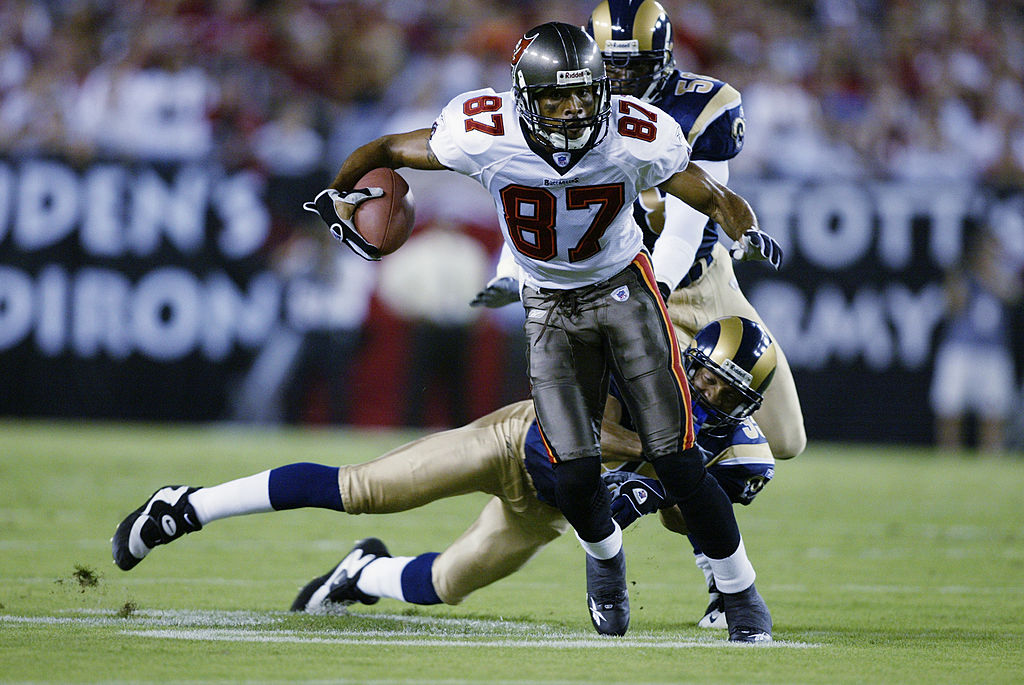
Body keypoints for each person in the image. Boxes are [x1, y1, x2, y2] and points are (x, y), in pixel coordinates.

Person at [299, 21, 781, 639]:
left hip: (625, 294)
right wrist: (339, 196)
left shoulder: (632, 132)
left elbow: (706, 190)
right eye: (557, 95)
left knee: (679, 458)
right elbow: (388, 148)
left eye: (585, 92)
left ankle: (741, 597)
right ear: (525, 95)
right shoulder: (485, 131)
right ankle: (607, 565)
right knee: (576, 472)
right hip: (551, 307)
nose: (575, 108)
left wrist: (742, 225)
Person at [111, 316, 779, 642]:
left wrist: (701, 542)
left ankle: (358, 576)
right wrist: (635, 482)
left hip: (547, 513)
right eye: (703, 373)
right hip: (517, 444)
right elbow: (574, 438)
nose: (703, 390)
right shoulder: (641, 367)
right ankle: (187, 506)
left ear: (742, 406)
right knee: (361, 488)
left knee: (446, 583)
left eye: (722, 391)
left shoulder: (729, 447)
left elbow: (692, 511)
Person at [474, 2, 805, 462]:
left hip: (695, 279)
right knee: (638, 440)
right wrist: (510, 269)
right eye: (613, 64)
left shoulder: (702, 108)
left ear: (666, 58)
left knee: (786, 439)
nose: (625, 77)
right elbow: (532, 199)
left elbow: (684, 230)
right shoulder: (567, 110)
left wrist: (658, 295)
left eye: (638, 64)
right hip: (614, 290)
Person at [929, 226, 1021, 452]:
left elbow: (1013, 296)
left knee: (993, 410)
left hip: (993, 351)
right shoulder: (962, 274)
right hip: (960, 348)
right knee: (950, 408)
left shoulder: (1003, 275)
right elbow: (952, 307)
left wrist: (991, 276)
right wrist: (965, 277)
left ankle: (991, 456)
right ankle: (948, 455)